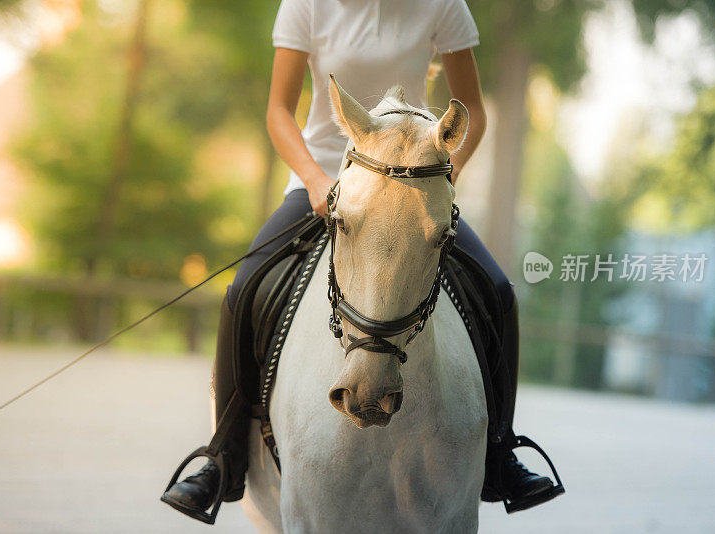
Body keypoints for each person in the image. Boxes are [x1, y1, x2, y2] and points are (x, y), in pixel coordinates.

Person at [162, 0, 562, 521]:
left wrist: (442, 175)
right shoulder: (305, 4)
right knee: (242, 291)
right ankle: (223, 457)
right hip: (325, 178)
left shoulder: (443, 6)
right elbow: (279, 112)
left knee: (498, 291)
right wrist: (312, 179)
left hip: (414, 180)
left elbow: (473, 112)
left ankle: (500, 454)